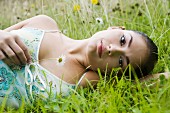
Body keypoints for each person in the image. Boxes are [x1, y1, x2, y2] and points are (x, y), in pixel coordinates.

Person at [0, 15, 158, 108]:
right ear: (115, 28)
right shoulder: (43, 23)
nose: (113, 50)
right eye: (123, 40)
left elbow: (145, 83)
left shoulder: (87, 80)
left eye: (121, 61)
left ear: (115, 73)